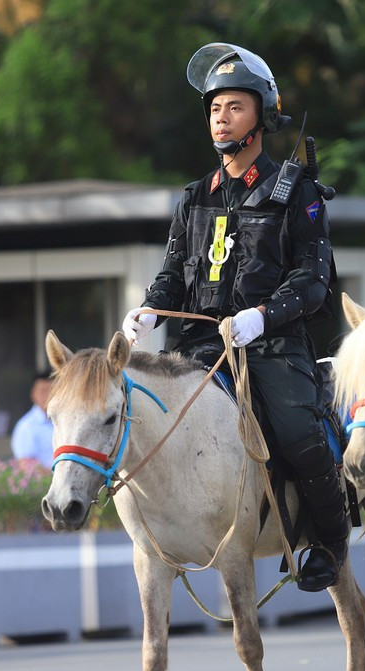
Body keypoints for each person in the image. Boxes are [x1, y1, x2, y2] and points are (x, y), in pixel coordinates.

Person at [121, 43, 348, 592]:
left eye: (235, 107)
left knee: (299, 432)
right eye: (215, 108)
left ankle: (330, 540)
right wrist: (149, 310)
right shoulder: (195, 197)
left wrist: (263, 318)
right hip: (202, 347)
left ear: (263, 116)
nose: (221, 117)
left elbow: (314, 280)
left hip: (272, 346)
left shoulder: (297, 192)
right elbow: (174, 270)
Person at [11, 372, 54, 469]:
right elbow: (27, 466)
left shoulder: (67, 421)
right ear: (33, 394)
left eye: (53, 390)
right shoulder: (26, 426)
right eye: (44, 391)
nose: (49, 395)